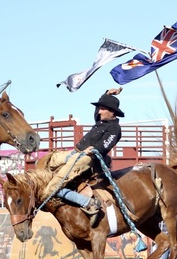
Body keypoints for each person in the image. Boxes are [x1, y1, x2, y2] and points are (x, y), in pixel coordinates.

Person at [40, 88, 124, 220]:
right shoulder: (102, 120)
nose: (99, 111)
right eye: (99, 108)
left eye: (102, 109)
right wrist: (107, 93)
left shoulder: (115, 129)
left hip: (88, 158)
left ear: (111, 111)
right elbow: (97, 111)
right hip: (76, 152)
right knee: (49, 159)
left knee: (58, 181)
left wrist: (92, 150)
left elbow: (104, 146)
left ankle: (82, 201)